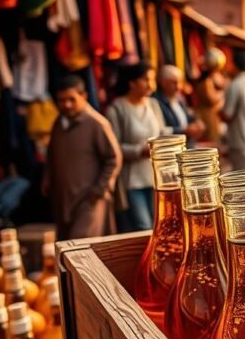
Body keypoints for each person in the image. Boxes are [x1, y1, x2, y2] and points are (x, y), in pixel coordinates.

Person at [45, 75, 122, 239]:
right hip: (64, 199)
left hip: (89, 200)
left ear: (84, 96)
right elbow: (51, 155)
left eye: (71, 99)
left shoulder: (96, 123)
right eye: (61, 100)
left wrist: (99, 189)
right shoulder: (59, 123)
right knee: (66, 246)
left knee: (80, 246)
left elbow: (113, 158)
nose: (66, 105)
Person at [106, 62, 167, 232]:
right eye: (146, 80)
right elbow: (113, 147)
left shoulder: (153, 105)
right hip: (132, 180)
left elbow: (162, 132)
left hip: (156, 176)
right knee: (143, 227)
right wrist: (138, 151)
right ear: (132, 83)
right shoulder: (117, 109)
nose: (151, 85)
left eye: (152, 80)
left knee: (160, 225)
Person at [153, 65, 203, 147]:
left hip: (186, 146)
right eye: (174, 83)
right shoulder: (155, 102)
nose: (178, 87)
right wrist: (184, 130)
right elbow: (160, 130)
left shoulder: (179, 98)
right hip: (169, 148)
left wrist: (197, 122)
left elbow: (189, 115)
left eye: (180, 82)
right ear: (163, 83)